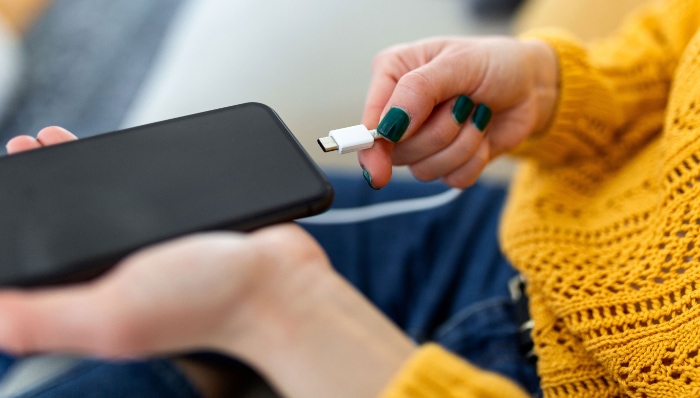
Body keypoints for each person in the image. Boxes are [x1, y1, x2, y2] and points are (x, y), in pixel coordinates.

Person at [0, 0, 699, 397]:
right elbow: (677, 41)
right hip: (526, 233)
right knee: (94, 234)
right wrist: (556, 85)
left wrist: (281, 314)